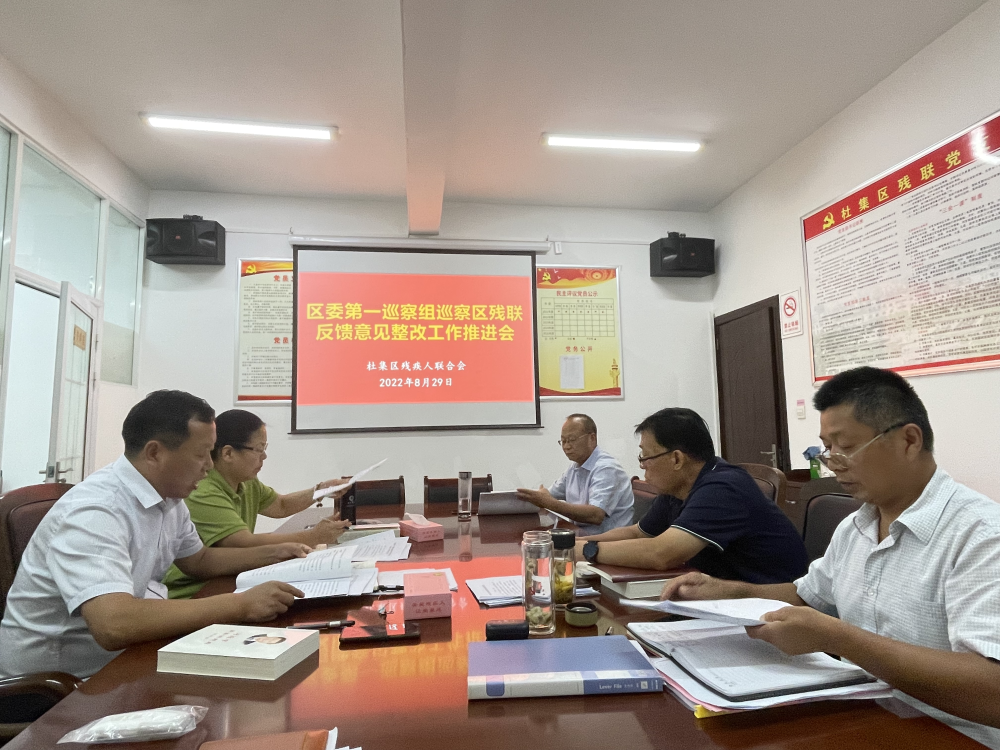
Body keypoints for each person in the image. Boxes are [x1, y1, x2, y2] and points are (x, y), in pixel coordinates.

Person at [661, 367, 1000, 748]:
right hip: (862, 718)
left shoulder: (981, 535)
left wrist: (840, 638)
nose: (833, 462)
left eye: (846, 446)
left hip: (953, 736)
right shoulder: (857, 526)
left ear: (908, 440)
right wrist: (727, 591)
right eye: (827, 448)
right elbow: (808, 596)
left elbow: (993, 692)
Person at [0, 391, 309, 680]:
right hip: (60, 683)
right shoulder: (96, 510)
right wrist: (240, 605)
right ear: (154, 453)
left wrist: (278, 553)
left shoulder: (169, 497)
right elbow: (114, 623)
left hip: (125, 657)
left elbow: (199, 561)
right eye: (202, 454)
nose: (209, 466)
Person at [576, 407, 807, 582]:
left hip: (769, 607)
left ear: (677, 459)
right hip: (720, 596)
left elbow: (662, 553)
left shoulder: (723, 487)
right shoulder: (677, 488)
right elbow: (636, 533)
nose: (642, 465)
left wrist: (587, 551)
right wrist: (572, 543)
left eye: (645, 457)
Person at [163, 409, 351, 598]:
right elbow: (242, 543)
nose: (264, 457)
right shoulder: (203, 490)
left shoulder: (246, 481)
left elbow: (281, 505)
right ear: (228, 453)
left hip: (234, 575)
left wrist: (320, 490)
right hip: (198, 590)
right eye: (259, 449)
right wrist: (313, 536)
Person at [516, 414, 633, 535]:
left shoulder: (606, 468)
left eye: (571, 440)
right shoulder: (575, 467)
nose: (566, 447)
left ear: (592, 438)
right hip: (581, 536)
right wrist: (537, 497)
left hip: (608, 542)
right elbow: (549, 495)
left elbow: (595, 515)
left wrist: (548, 502)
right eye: (563, 441)